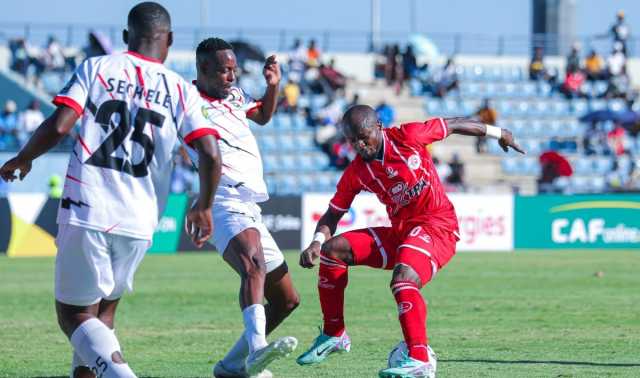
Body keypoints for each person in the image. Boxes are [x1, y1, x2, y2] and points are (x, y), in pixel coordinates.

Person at [0, 3, 223, 377]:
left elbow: (59, 126)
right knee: (104, 313)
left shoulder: (98, 68)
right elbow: (211, 153)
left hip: (89, 206)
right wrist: (203, 205)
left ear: (125, 37)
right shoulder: (181, 89)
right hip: (140, 219)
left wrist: (23, 158)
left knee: (73, 315)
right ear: (169, 41)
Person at [296, 105, 523, 377]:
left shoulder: (409, 136)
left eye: (364, 136)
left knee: (403, 278)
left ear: (378, 126)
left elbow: (453, 124)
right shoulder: (356, 172)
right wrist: (316, 242)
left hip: (437, 226)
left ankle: (419, 358)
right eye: (352, 139)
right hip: (402, 233)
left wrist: (499, 133)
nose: (360, 144)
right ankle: (335, 334)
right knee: (332, 252)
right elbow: (334, 212)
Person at [192, 37, 299, 378]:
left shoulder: (236, 96)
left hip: (249, 203)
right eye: (225, 70)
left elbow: (264, 117)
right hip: (221, 200)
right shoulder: (187, 101)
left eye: (235, 69)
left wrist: (273, 86)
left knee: (286, 300)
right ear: (204, 69)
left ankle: (231, 366)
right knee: (254, 265)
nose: (232, 76)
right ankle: (256, 351)